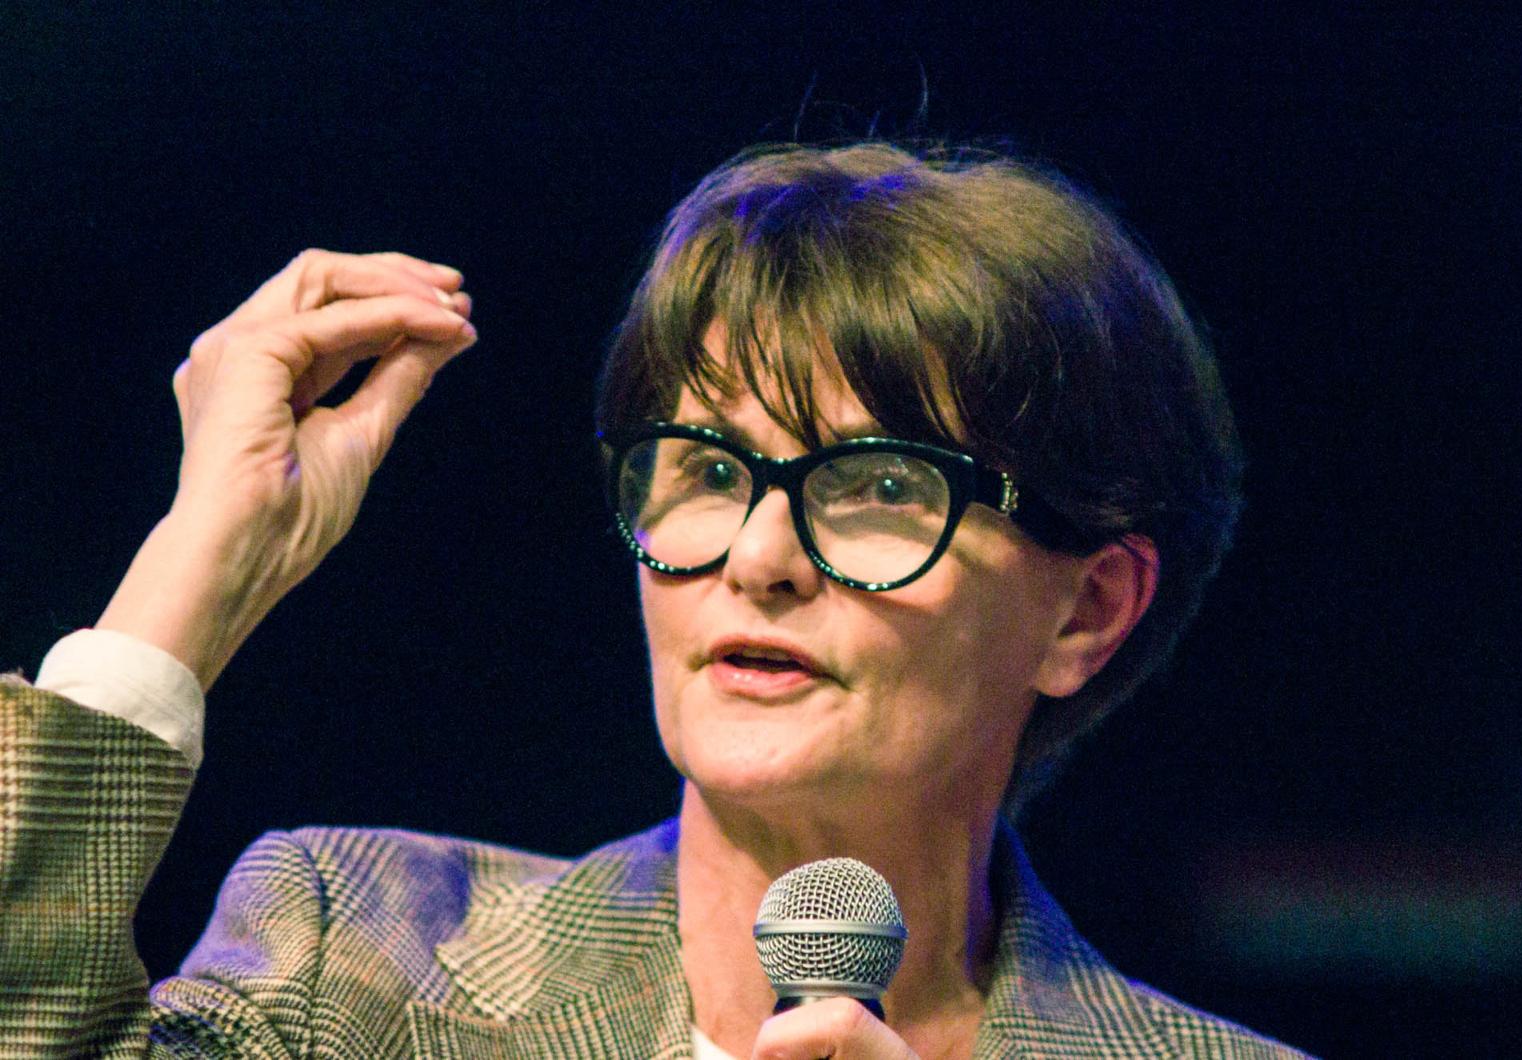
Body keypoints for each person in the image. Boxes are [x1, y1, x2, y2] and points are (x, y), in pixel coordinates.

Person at [0, 142, 1309, 1058]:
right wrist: (206, 559)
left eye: (879, 487)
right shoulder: (361, 962)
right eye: (711, 470)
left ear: (1084, 615)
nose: (759, 556)